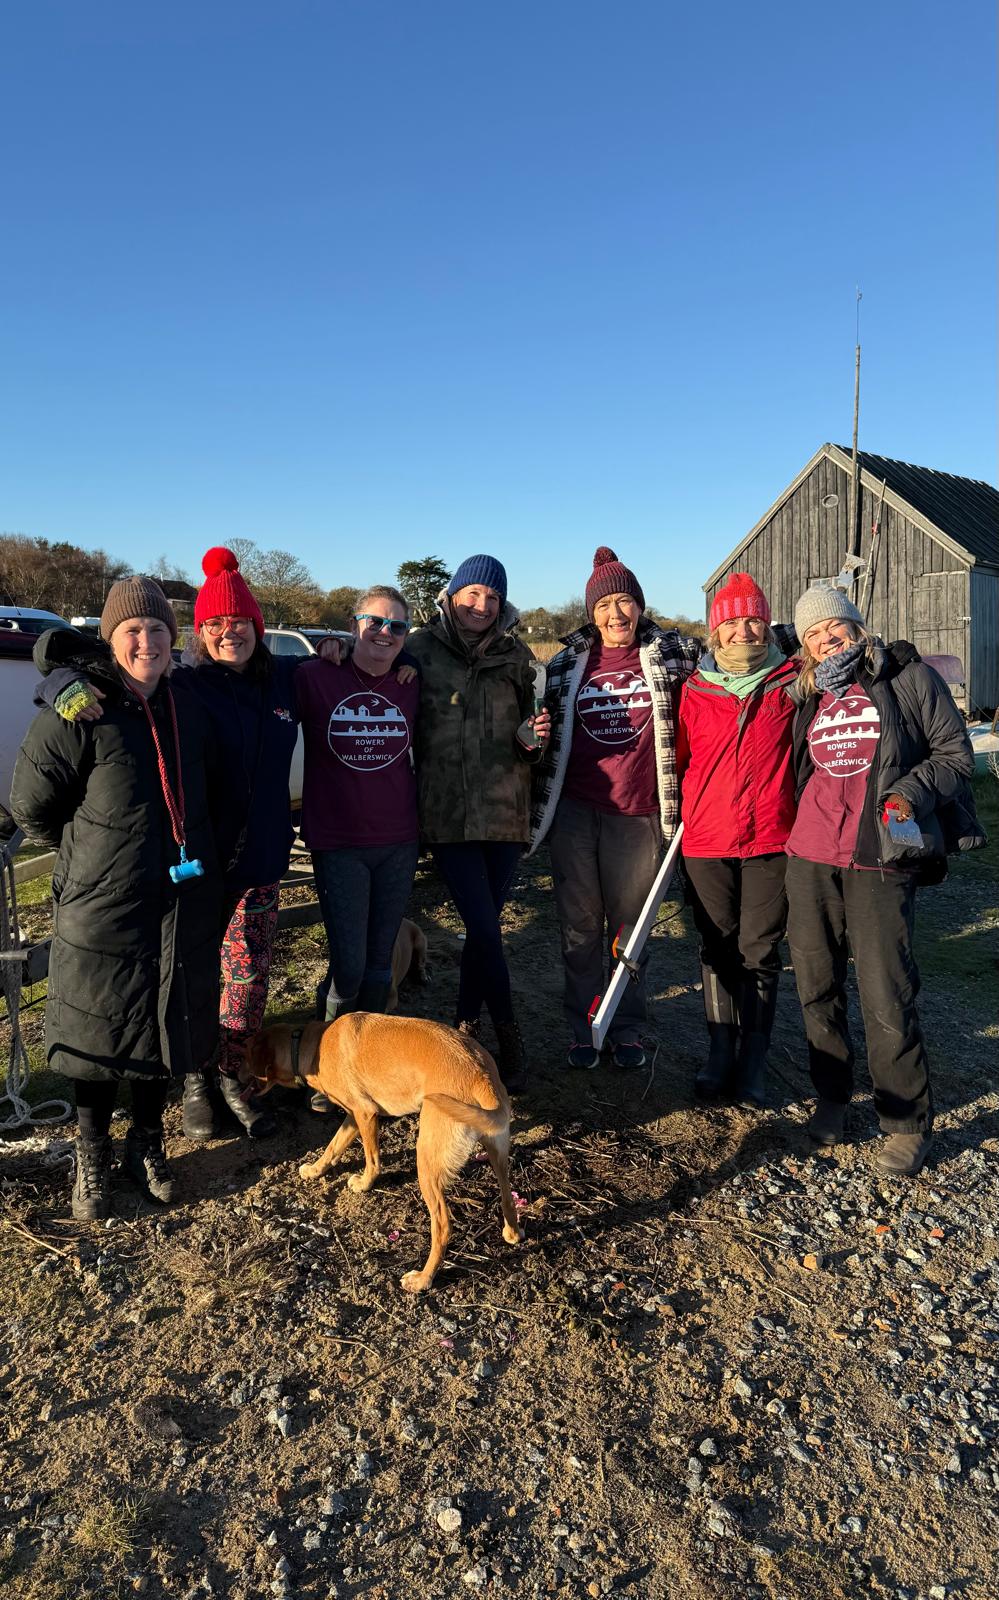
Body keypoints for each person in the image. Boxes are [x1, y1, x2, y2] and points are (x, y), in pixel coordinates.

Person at [33, 547, 320, 1140]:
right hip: (194, 865)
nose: (228, 633)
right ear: (200, 633)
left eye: (239, 622)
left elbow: (359, 667)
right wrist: (59, 679)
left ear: (257, 628)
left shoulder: (290, 680)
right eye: (214, 624)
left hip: (260, 862)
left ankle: (234, 1079)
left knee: (246, 983)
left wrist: (358, 653)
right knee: (189, 977)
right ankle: (194, 1080)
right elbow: (92, 664)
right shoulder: (185, 686)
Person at [10, 578, 221, 1219]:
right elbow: (32, 804)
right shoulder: (81, 707)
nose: (147, 642)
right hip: (101, 901)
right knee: (95, 1031)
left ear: (174, 638)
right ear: (110, 638)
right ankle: (91, 1154)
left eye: (158, 630)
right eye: (132, 630)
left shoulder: (185, 703)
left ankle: (147, 1144)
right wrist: (89, 852)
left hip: (175, 896)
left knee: (163, 1023)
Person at [784, 582, 975, 1175]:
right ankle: (832, 1098)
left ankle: (905, 1120)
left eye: (833, 626)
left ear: (856, 625)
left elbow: (955, 754)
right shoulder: (807, 694)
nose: (825, 638)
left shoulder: (906, 678)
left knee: (885, 987)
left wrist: (905, 794)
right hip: (810, 853)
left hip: (878, 856)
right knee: (816, 984)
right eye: (812, 632)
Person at [529, 547, 706, 1070]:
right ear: (591, 613)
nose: (615, 614)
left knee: (631, 927)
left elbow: (744, 652)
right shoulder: (563, 666)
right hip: (576, 812)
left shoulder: (675, 653)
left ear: (640, 606)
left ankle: (624, 1024)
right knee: (579, 926)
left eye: (625, 601)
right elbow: (535, 730)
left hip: (642, 813)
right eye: (604, 604)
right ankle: (584, 1024)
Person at [404, 555, 549, 1094]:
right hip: (445, 813)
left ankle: (465, 1027)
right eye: (472, 595)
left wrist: (533, 740)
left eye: (492, 598)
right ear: (453, 595)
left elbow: (529, 738)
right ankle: (507, 1034)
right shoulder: (418, 650)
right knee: (485, 928)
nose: (481, 607)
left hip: (505, 810)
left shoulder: (517, 655)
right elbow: (375, 683)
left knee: (483, 931)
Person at [676, 572, 799, 1107]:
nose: (743, 629)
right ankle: (719, 1049)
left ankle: (755, 1055)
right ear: (716, 631)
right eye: (732, 621)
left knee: (761, 948)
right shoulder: (693, 691)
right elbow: (676, 761)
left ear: (767, 623)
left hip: (774, 836)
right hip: (706, 840)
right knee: (717, 945)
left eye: (753, 618)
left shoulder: (795, 682)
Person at [295, 586, 420, 1108]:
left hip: (397, 839)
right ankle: (330, 1068)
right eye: (375, 622)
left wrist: (408, 660)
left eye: (397, 627)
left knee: (377, 963)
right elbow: (253, 682)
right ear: (353, 624)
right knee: (347, 965)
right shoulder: (315, 677)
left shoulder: (413, 682)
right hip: (340, 841)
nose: (384, 633)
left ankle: (372, 1066)